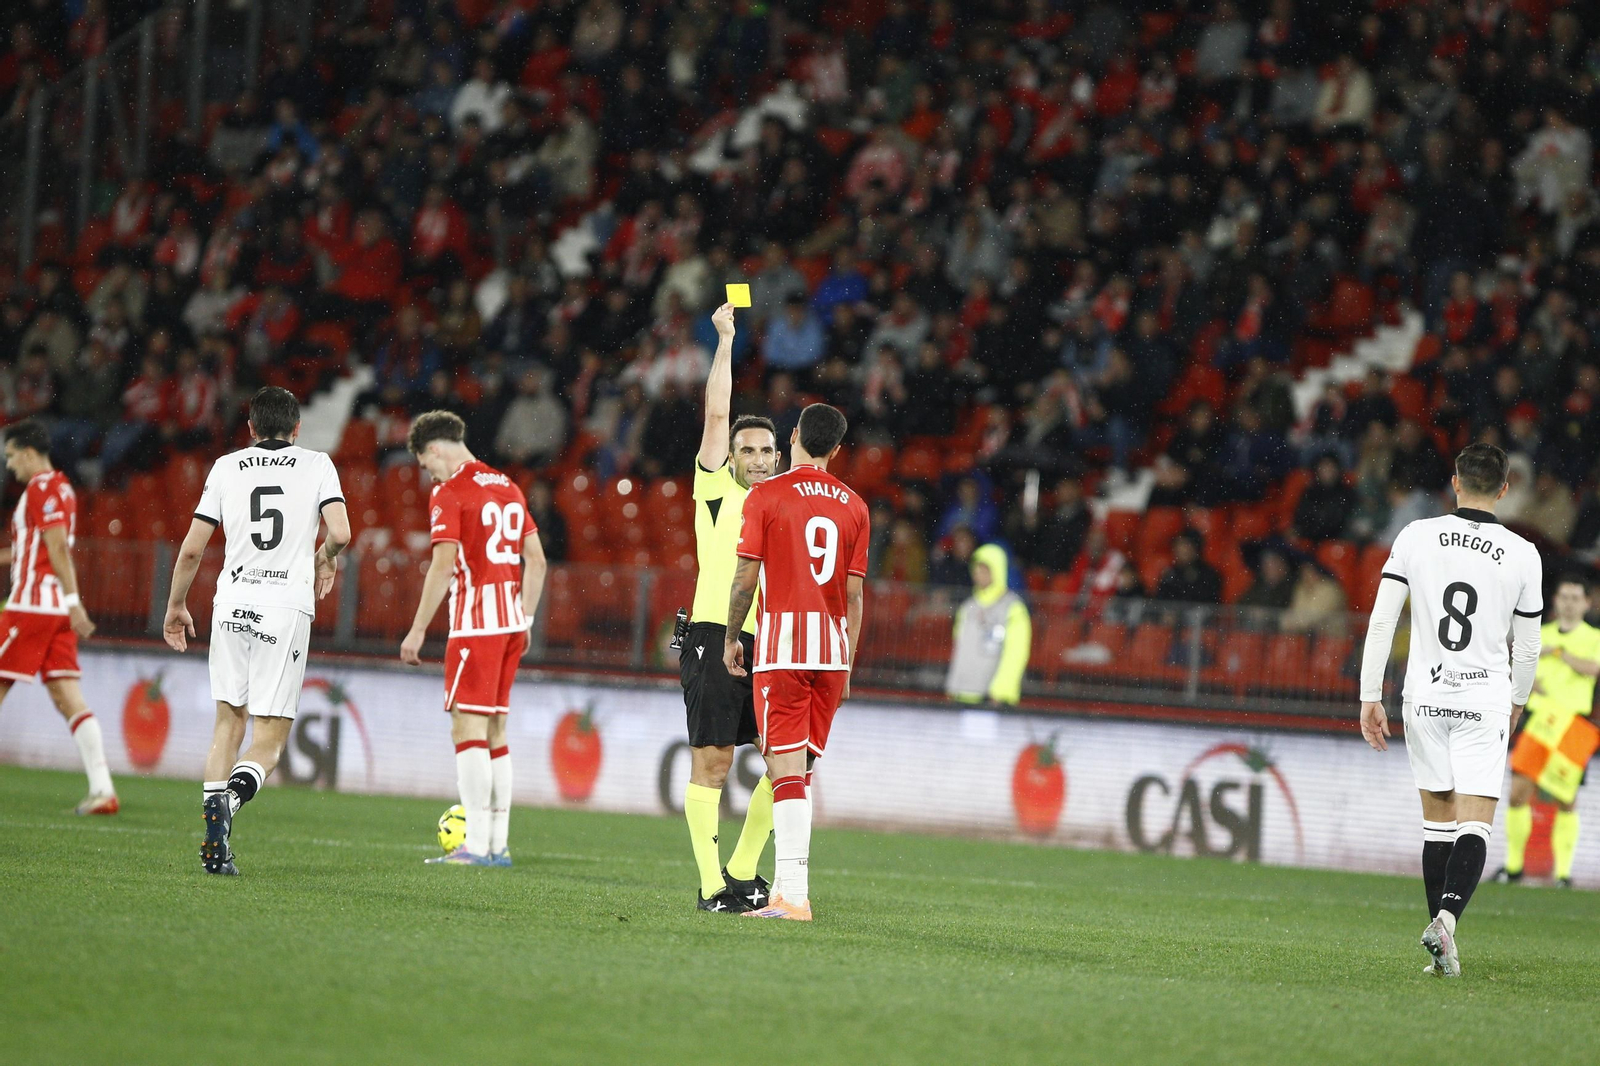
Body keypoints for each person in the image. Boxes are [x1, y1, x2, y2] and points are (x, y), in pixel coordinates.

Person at [1359, 443, 1543, 977]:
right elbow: (1527, 648)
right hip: (1483, 698)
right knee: (1475, 824)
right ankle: (1446, 921)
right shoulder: (1522, 553)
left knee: (1436, 822)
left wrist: (1371, 695)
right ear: (1505, 490)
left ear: (1455, 482)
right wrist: (1516, 704)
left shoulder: (1417, 537)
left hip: (1425, 696)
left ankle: (1441, 947)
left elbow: (1380, 621)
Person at [162, 389, 350, 874]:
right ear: (297, 428)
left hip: (232, 604)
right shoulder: (317, 465)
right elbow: (343, 532)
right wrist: (325, 558)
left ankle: (214, 838)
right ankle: (228, 804)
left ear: (250, 428)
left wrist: (176, 605)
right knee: (269, 740)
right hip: (283, 608)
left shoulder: (226, 467)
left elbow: (190, 549)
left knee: (228, 721)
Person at [725, 403, 869, 921]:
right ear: (835, 450)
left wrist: (729, 639)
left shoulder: (767, 495)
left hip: (784, 647)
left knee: (783, 771)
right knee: (799, 772)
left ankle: (793, 896)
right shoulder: (855, 505)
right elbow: (854, 597)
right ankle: (788, 889)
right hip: (831, 654)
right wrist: (848, 664)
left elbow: (745, 579)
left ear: (793, 438)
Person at [400, 411, 547, 866]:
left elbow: (443, 566)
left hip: (475, 625)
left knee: (467, 729)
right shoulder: (508, 486)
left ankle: (476, 846)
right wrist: (524, 620)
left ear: (436, 449)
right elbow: (537, 563)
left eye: (427, 465)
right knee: (496, 732)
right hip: (509, 625)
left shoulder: (451, 492)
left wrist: (418, 628)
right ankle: (497, 844)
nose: (431, 476)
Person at [681, 303, 780, 913]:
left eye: (767, 451)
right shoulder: (716, 489)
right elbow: (717, 410)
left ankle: (743, 869)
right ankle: (712, 886)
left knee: (785, 759)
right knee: (714, 764)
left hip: (771, 638)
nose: (759, 459)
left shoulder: (787, 503)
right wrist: (725, 341)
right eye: (748, 450)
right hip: (715, 631)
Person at [0, 419, 114, 815]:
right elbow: (41, 546)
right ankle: (103, 791)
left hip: (31, 607)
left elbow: (56, 550)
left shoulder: (40, 488)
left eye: (12, 457)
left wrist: (75, 599)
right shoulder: (63, 487)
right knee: (68, 697)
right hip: (54, 612)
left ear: (29, 453)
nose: (10, 466)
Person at [1497, 577, 1600, 888]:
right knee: (1518, 793)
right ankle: (1513, 867)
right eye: (1564, 596)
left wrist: (1559, 654)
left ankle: (1563, 874)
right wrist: (1528, 682)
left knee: (1565, 798)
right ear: (1555, 601)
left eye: (1575, 597)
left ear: (1586, 603)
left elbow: (1593, 668)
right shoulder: (1539, 634)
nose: (1569, 602)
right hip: (1540, 719)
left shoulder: (1593, 637)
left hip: (1573, 723)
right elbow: (1518, 669)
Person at [945, 543, 1032, 706]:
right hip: (963, 694)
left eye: (985, 570)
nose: (979, 575)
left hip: (992, 698)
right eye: (976, 569)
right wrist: (953, 685)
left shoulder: (1013, 608)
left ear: (997, 570)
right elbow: (960, 649)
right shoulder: (967, 607)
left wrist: (1001, 691)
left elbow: (1016, 653)